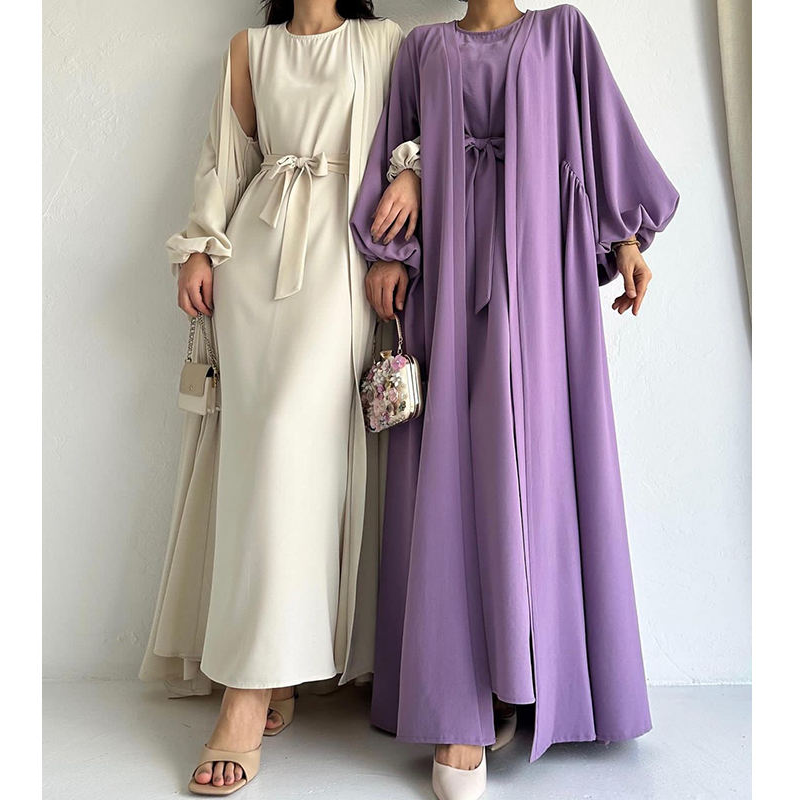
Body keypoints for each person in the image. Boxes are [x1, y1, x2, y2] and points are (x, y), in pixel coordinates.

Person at [351, 2, 680, 798]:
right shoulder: (422, 48)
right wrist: (396, 232)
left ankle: (527, 677)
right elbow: (403, 142)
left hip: (540, 277)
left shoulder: (563, 32)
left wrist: (626, 241)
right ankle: (461, 703)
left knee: (537, 463)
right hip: (450, 276)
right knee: (457, 472)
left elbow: (598, 140)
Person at [139, 1, 403, 794]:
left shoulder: (384, 41)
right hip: (254, 260)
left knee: (294, 448)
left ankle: (248, 696)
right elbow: (223, 160)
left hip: (341, 263)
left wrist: (412, 183)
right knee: (257, 464)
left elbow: (414, 138)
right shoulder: (249, 48)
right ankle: (269, 670)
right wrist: (198, 246)